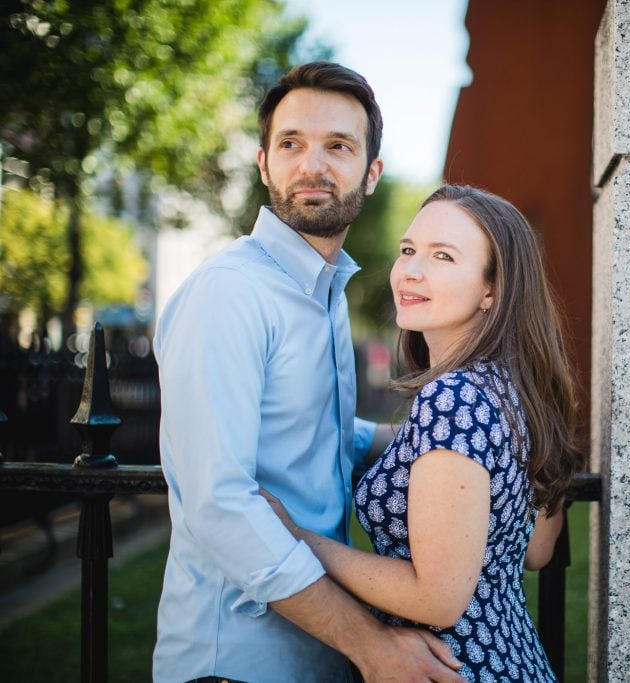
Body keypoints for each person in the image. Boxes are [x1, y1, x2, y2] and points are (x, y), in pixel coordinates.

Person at [153, 62, 461, 683]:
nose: (311, 166)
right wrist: (371, 645)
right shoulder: (230, 293)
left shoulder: (322, 290)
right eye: (290, 144)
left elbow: (312, 428)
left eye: (338, 147)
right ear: (264, 162)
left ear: (371, 173)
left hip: (318, 658)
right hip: (238, 663)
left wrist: (464, 448)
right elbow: (221, 505)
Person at [262, 184, 587, 681]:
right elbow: (537, 551)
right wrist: (331, 428)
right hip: (514, 663)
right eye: (409, 250)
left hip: (453, 669)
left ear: (491, 290)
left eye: (443, 256)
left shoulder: (452, 398)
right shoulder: (508, 392)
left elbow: (435, 601)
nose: (411, 269)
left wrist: (300, 538)